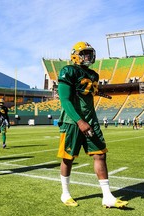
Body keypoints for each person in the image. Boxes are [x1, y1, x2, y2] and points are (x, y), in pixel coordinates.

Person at [57, 41, 128, 208]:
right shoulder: (68, 70)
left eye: (89, 53)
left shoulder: (93, 74)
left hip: (91, 119)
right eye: (85, 53)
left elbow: (88, 89)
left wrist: (99, 92)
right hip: (72, 121)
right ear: (75, 55)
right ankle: (65, 193)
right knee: (68, 158)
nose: (88, 56)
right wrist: (80, 121)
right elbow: (65, 100)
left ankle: (107, 196)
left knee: (100, 154)